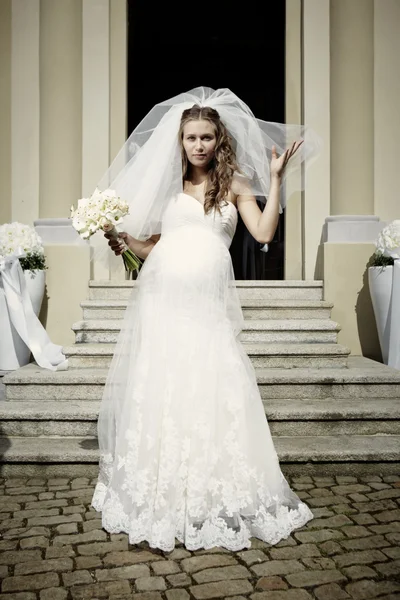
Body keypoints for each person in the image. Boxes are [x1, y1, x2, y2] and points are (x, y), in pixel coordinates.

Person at [91, 88, 319, 552]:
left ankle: (213, 487)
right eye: (191, 137)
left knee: (213, 377)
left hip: (205, 302)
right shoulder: (170, 186)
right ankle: (162, 489)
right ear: (180, 141)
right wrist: (122, 239)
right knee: (164, 381)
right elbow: (152, 246)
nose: (198, 145)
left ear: (219, 140)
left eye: (206, 137)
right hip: (162, 294)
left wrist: (275, 179)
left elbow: (264, 232)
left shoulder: (233, 184)